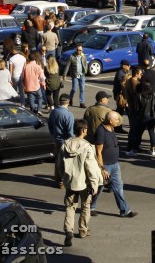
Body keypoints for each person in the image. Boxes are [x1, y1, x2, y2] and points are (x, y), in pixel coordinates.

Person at [58, 119, 103, 247]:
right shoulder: (87, 147)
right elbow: (91, 168)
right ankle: (83, 230)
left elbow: (59, 166)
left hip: (70, 183)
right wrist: (94, 184)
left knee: (70, 207)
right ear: (83, 130)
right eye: (86, 129)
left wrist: (65, 177)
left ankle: (68, 232)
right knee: (85, 207)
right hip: (84, 183)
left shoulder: (65, 145)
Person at [90, 111, 138, 219]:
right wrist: (102, 168)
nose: (118, 122)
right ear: (111, 121)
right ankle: (90, 207)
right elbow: (98, 152)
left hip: (115, 164)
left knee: (118, 187)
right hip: (105, 166)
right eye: (117, 120)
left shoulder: (111, 128)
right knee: (99, 187)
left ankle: (124, 210)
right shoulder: (101, 132)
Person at [49, 94, 75, 188]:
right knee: (66, 162)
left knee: (58, 160)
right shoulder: (69, 115)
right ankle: (64, 180)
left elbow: (50, 126)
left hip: (57, 140)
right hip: (66, 141)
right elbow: (70, 132)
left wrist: (54, 136)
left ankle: (59, 179)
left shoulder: (53, 112)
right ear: (68, 102)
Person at [131, 78, 155, 156]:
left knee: (138, 133)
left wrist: (137, 116)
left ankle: (134, 150)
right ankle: (153, 149)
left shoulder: (139, 95)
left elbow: (137, 108)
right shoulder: (154, 94)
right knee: (151, 132)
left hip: (142, 117)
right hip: (152, 116)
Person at [63, 43, 88, 108]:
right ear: (76, 50)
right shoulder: (72, 56)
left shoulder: (83, 56)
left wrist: (86, 71)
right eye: (78, 50)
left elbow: (85, 63)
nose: (79, 51)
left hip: (82, 75)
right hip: (75, 75)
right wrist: (64, 75)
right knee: (74, 89)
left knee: (82, 89)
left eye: (80, 50)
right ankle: (70, 98)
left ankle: (81, 102)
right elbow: (67, 66)